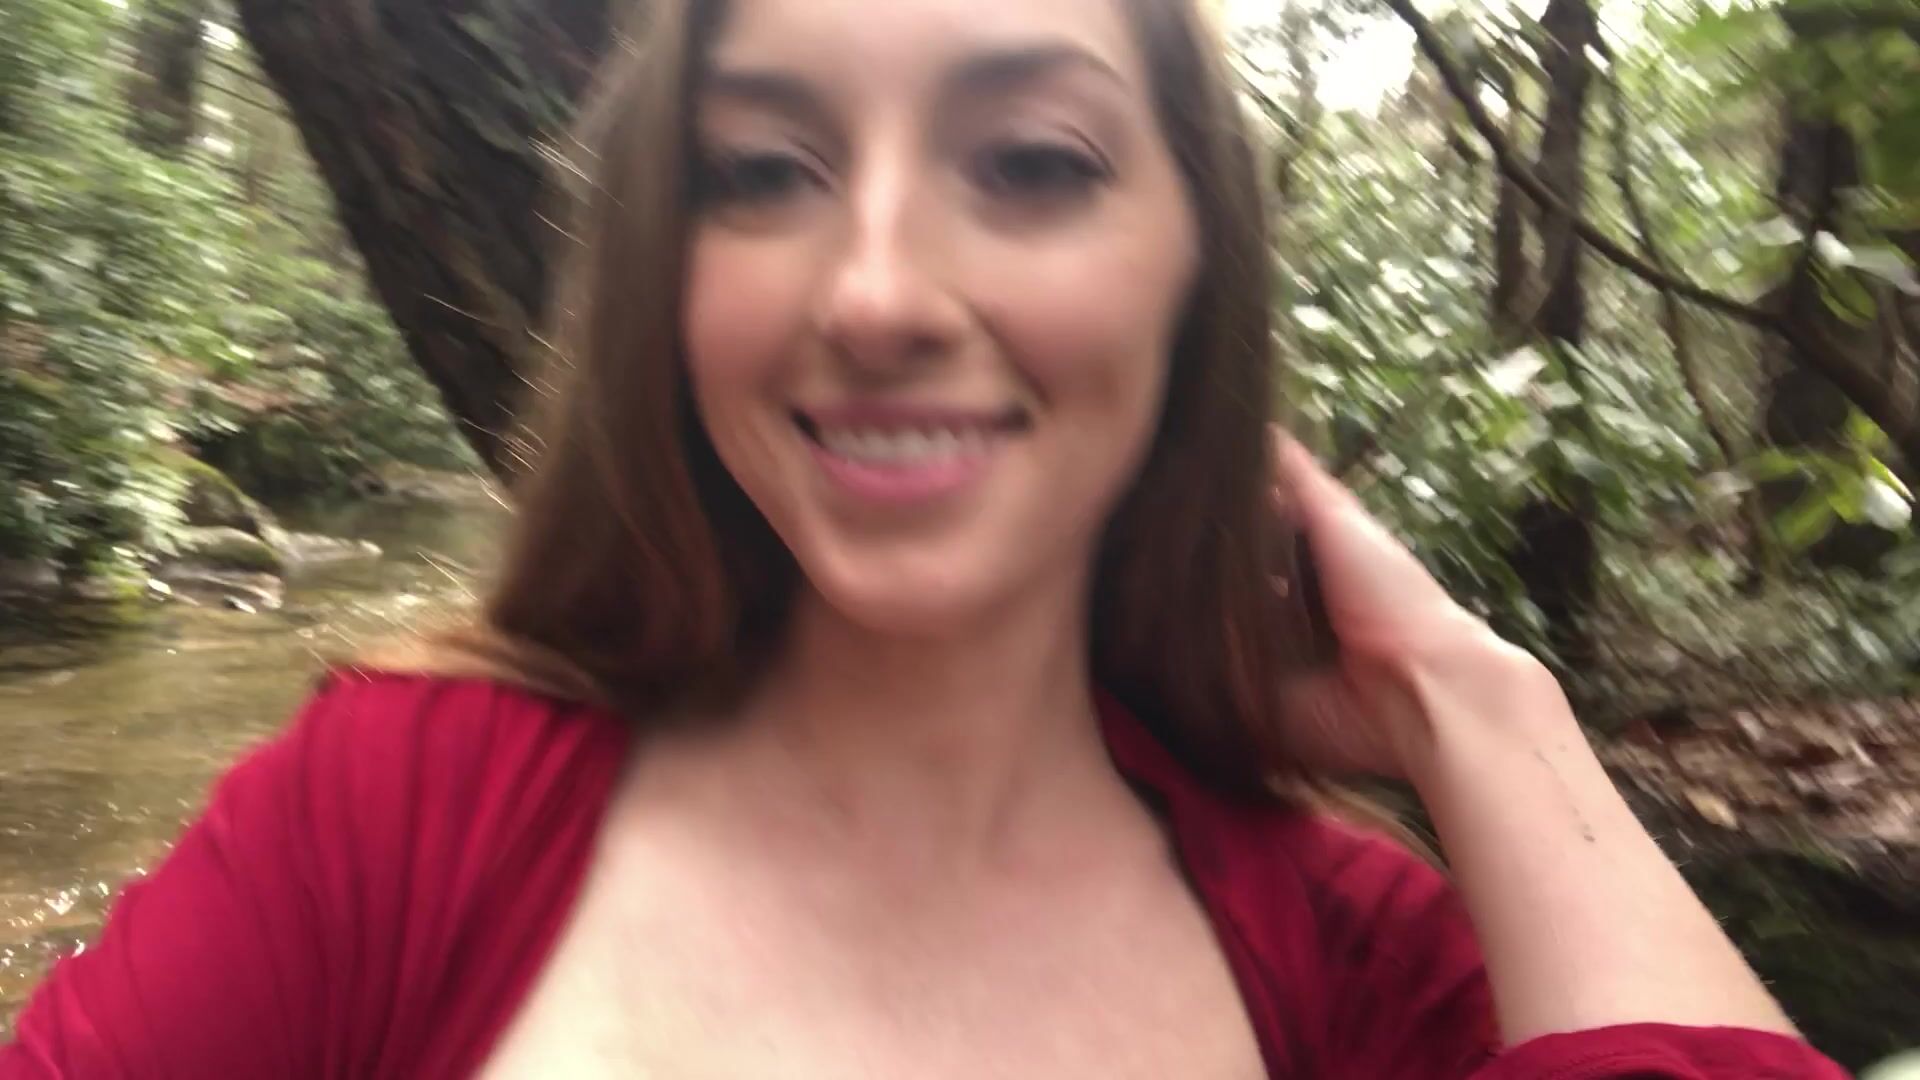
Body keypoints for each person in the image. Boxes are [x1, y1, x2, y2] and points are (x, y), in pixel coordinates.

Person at [1, 0, 1850, 1076]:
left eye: (1032, 164)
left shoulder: (1365, 969)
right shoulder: (396, 812)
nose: (875, 292)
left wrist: (1489, 714)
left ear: (1195, 272)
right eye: (763, 173)